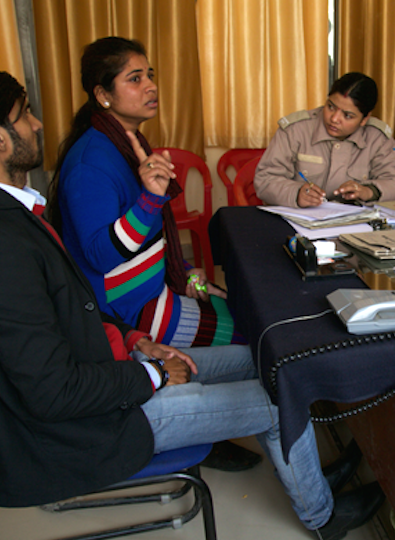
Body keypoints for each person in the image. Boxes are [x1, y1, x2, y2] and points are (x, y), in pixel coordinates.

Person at [0, 67, 383, 539]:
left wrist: (138, 342)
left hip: (106, 363)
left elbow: (70, 310)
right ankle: (322, 517)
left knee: (263, 358)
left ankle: (309, 479)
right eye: (24, 114)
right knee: (282, 398)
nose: (37, 124)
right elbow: (50, 392)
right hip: (94, 420)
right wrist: (151, 374)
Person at [47, 37, 260, 470]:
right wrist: (149, 199)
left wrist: (188, 275)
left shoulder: (124, 140)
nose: (150, 87)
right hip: (127, 308)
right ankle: (202, 429)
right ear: (103, 95)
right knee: (247, 334)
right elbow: (103, 255)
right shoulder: (92, 161)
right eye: (135, 78)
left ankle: (205, 416)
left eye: (150, 76)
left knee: (239, 309)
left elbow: (150, 242)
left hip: (150, 291)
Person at [254, 72, 395, 208]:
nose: (334, 119)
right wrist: (296, 193)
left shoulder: (377, 138)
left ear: (364, 119)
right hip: (298, 225)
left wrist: (368, 191)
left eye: (347, 115)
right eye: (331, 107)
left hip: (354, 227)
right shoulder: (295, 130)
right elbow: (265, 179)